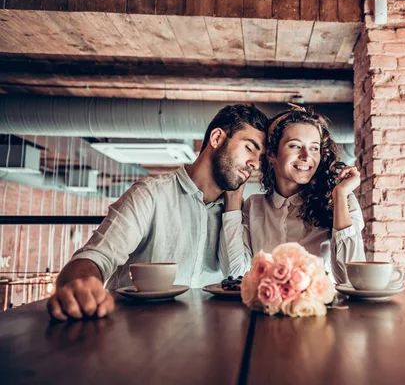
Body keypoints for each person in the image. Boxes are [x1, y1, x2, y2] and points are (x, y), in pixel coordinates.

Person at [47, 104, 269, 321]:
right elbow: (97, 257)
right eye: (250, 148)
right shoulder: (150, 195)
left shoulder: (238, 217)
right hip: (130, 342)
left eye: (260, 158)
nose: (254, 164)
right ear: (217, 138)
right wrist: (79, 284)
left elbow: (241, 277)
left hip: (204, 348)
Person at [219, 106, 365, 284]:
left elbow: (351, 280)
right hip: (266, 309)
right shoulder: (253, 207)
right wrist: (233, 196)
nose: (306, 156)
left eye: (314, 148)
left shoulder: (339, 200)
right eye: (295, 145)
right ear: (272, 154)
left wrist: (341, 195)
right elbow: (235, 274)